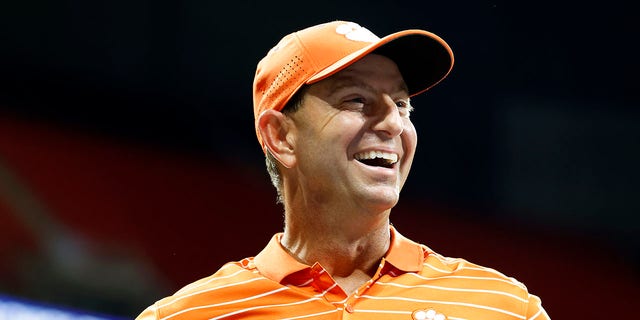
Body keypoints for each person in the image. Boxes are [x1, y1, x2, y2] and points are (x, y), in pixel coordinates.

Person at [136, 20, 550, 320]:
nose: (393, 124)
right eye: (356, 100)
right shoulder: (189, 315)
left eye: (402, 105)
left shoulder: (503, 307)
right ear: (280, 136)